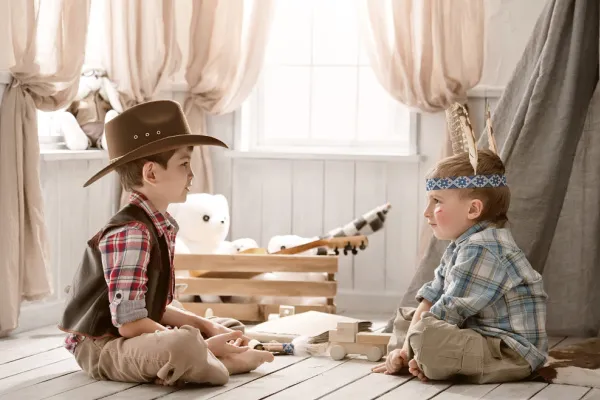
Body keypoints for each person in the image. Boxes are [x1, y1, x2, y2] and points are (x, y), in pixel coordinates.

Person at [58, 100, 274, 387]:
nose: (192, 175)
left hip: (131, 335)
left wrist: (207, 327)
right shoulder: (131, 233)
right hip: (102, 347)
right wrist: (202, 343)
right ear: (151, 173)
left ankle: (201, 358)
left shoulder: (158, 225)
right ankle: (218, 361)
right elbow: (131, 324)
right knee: (183, 345)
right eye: (184, 164)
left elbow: (149, 307)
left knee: (227, 326)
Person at [373, 149, 548, 384]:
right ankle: (412, 358)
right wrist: (406, 349)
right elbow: (433, 296)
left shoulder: (484, 248)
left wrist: (414, 343)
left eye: (436, 201)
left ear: (473, 209)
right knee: (410, 317)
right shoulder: (461, 245)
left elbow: (446, 312)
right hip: (479, 337)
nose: (426, 212)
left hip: (510, 353)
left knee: (426, 334)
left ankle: (425, 360)